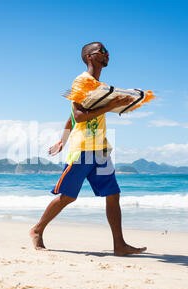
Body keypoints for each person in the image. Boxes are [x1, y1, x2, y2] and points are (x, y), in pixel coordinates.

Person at [29, 42, 148, 256]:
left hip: (101, 149)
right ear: (90, 57)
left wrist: (61, 140)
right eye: (102, 51)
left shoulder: (99, 87)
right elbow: (78, 115)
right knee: (68, 196)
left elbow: (71, 117)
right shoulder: (81, 81)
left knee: (113, 194)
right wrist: (111, 106)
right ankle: (37, 229)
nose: (106, 54)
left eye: (107, 51)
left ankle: (119, 245)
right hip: (82, 148)